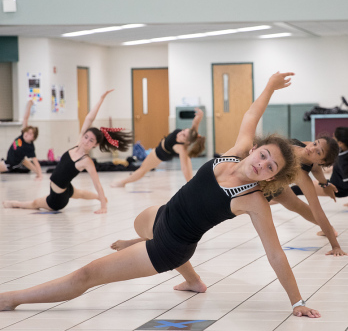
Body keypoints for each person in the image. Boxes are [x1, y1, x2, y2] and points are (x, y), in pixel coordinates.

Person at [0, 72, 323, 317]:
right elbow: (250, 116)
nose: (262, 164)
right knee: (141, 222)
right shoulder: (235, 153)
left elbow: (276, 254)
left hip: (170, 246)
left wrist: (297, 301)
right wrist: (268, 86)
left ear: (273, 178)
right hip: (162, 215)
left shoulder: (252, 200)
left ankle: (14, 298)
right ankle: (193, 281)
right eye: (264, 155)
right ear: (254, 149)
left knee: (89, 274)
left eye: (271, 168)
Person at [2, 90, 132, 215]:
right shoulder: (77, 144)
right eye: (86, 137)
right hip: (65, 188)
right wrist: (101, 99)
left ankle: (13, 203)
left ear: (95, 145)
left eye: (91, 140)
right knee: (79, 194)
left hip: (57, 198)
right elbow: (89, 118)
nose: (86, 141)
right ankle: (100, 198)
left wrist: (103, 207)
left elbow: (97, 183)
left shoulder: (86, 161)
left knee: (35, 203)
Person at [268, 133, 347, 245]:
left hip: (268, 181)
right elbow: (315, 167)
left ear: (321, 161)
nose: (312, 148)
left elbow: (317, 210)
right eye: (315, 143)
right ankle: (328, 228)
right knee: (295, 204)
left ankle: (328, 229)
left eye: (319, 152)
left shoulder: (302, 174)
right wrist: (325, 184)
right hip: (259, 169)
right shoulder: (306, 147)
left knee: (296, 205)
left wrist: (335, 246)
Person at [111, 108, 206, 187]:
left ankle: (122, 182)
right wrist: (200, 116)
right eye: (183, 131)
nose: (181, 133)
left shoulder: (181, 148)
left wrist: (188, 182)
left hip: (159, 153)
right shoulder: (192, 135)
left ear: (187, 142)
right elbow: (195, 125)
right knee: (187, 161)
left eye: (183, 135)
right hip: (164, 151)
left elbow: (184, 168)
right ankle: (193, 185)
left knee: (142, 169)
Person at [291, 127, 348, 206]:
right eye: (315, 143)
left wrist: (325, 184)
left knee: (292, 191)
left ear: (340, 143)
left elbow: (316, 168)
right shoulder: (341, 153)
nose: (332, 137)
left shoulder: (343, 160)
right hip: (332, 183)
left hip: (338, 189)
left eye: (335, 137)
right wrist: (325, 182)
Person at [0, 100, 42, 179]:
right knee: (23, 160)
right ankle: (36, 172)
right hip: (19, 159)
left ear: (33, 138)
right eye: (27, 132)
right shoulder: (23, 135)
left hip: (9, 164)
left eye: (30, 134)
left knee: (23, 161)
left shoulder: (30, 147)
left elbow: (35, 161)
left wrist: (40, 176)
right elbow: (25, 118)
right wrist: (29, 105)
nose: (26, 134)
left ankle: (38, 173)